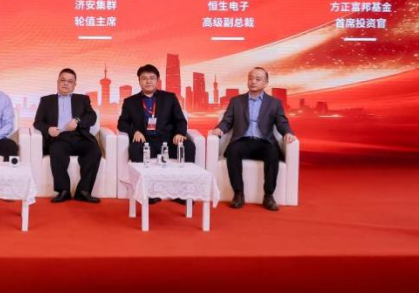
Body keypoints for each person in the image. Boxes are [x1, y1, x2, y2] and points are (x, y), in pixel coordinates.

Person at [211, 66, 297, 211]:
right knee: (233, 151)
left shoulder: (274, 103)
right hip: (242, 141)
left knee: (273, 152)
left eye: (258, 79)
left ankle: (268, 196)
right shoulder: (236, 101)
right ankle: (238, 194)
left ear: (266, 83)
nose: (253, 82)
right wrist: (220, 128)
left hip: (264, 142)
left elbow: (282, 122)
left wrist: (288, 132)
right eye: (251, 78)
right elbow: (227, 120)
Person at [117, 63, 196, 205]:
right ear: (139, 81)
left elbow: (180, 120)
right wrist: (134, 132)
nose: (148, 81)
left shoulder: (170, 98)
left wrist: (179, 133)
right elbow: (122, 123)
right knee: (135, 148)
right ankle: (146, 192)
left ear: (158, 80)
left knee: (188, 146)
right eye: (144, 78)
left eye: (152, 78)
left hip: (168, 141)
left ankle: (183, 193)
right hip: (145, 141)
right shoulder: (130, 102)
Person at [33, 68, 102, 203]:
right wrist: (48, 129)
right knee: (56, 150)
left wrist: (77, 120)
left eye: (70, 81)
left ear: (74, 85)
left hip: (80, 137)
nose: (66, 83)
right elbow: (38, 122)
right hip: (59, 137)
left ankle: (83, 191)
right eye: (63, 80)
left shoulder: (82, 99)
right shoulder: (46, 100)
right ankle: (63, 191)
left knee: (94, 150)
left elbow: (92, 117)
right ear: (57, 82)